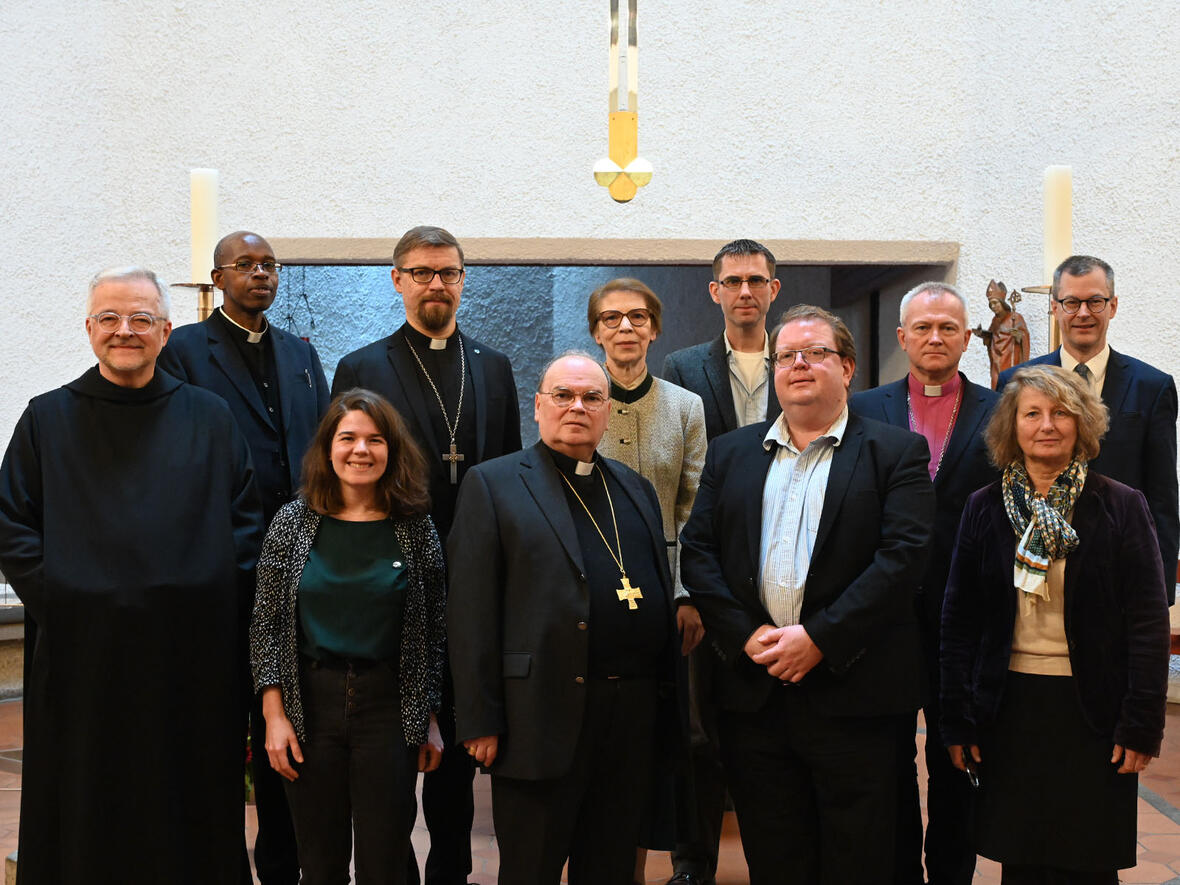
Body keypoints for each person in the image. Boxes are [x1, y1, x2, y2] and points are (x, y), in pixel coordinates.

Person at [0, 267, 264, 884]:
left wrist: (201, 596)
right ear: (89, 329)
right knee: (85, 797)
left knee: (187, 798)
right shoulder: (47, 419)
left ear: (166, 331)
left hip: (189, 656)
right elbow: (12, 523)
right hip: (80, 653)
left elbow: (245, 524)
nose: (126, 330)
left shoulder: (210, 417)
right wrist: (67, 597)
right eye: (110, 318)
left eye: (141, 318)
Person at [680, 304, 934, 885]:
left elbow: (902, 561)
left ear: (847, 368)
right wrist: (746, 636)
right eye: (787, 355)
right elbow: (699, 553)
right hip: (757, 695)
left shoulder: (895, 452)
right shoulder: (732, 453)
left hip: (856, 693)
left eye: (816, 353)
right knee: (776, 853)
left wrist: (820, 638)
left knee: (861, 857)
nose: (799, 364)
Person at [447, 352, 685, 885]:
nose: (577, 407)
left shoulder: (634, 487)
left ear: (608, 411)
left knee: (611, 866)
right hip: (539, 714)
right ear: (538, 406)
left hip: (630, 718)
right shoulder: (495, 483)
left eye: (592, 397)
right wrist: (480, 717)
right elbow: (469, 610)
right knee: (531, 866)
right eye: (563, 395)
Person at [332, 225, 521, 885]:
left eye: (448, 272)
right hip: (391, 575)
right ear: (397, 280)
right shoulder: (362, 366)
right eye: (421, 272)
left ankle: (451, 872)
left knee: (460, 755)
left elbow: (511, 476)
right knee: (390, 755)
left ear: (463, 280)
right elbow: (346, 472)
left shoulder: (493, 367)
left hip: (474, 578)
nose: (436, 283)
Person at [941, 365, 1169, 883]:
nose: (1047, 424)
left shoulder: (1120, 506)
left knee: (1089, 860)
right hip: (1009, 708)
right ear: (1011, 427)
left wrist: (1141, 724)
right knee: (1019, 858)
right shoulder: (984, 507)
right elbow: (959, 622)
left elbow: (1148, 626)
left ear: (1082, 424)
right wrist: (958, 719)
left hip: (1094, 711)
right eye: (1033, 413)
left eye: (1062, 413)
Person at [158, 229, 330, 885]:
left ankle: (285, 865)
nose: (260, 274)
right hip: (221, 567)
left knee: (290, 730)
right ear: (217, 276)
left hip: (294, 569)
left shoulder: (300, 354)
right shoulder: (182, 352)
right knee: (219, 729)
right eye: (245, 265)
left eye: (269, 265)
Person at [250, 388, 447, 884]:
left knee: (386, 860)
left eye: (375, 439)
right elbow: (267, 625)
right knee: (319, 861)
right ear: (327, 448)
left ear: (392, 450)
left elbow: (434, 629)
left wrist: (430, 717)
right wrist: (274, 715)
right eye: (348, 438)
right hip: (308, 707)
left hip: (389, 706)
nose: (361, 450)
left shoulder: (415, 525)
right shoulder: (293, 523)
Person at [849, 281, 999, 885]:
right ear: (901, 336)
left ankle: (952, 875)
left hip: (966, 611)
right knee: (886, 760)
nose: (935, 338)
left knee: (956, 755)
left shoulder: (1002, 408)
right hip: (884, 614)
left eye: (948, 328)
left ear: (967, 338)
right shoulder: (863, 408)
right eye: (924, 327)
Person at [659, 237, 783, 885]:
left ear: (773, 290)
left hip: (783, 571)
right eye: (731, 281)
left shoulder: (797, 359)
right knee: (698, 732)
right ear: (714, 292)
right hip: (709, 573)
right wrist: (685, 588)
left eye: (755, 280)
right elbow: (681, 483)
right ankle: (692, 861)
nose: (743, 292)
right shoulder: (682, 368)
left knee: (768, 733)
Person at [588, 277, 707, 883]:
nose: (625, 328)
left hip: (665, 590)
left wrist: (685, 592)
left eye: (637, 318)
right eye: (611, 319)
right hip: (592, 594)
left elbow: (693, 507)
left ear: (655, 329)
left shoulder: (685, 408)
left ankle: (653, 856)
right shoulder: (579, 400)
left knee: (659, 733)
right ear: (596, 331)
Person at [998, 254, 1177, 602]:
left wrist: (1161, 589)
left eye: (1095, 301)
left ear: (1113, 306)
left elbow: (1163, 497)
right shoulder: (1015, 382)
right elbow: (1006, 473)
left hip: (1120, 566)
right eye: (1071, 302)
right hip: (1036, 566)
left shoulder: (1151, 387)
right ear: (1055, 308)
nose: (1083, 313)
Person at [975, 281, 1029, 390]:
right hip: (996, 361)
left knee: (1009, 386)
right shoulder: (995, 320)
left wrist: (1018, 336)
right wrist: (983, 334)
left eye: (995, 303)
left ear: (1002, 302)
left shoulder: (1016, 317)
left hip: (1011, 360)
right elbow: (991, 337)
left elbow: (1024, 337)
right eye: (991, 304)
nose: (993, 306)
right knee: (996, 385)